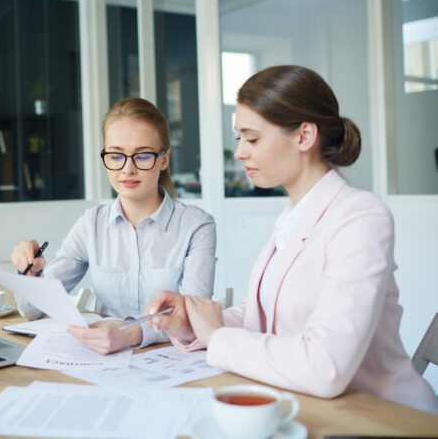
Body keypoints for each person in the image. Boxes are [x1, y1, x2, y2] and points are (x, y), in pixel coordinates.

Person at [145, 65, 438, 414]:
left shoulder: (361, 216)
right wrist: (194, 322)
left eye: (252, 138)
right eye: (239, 138)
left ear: (304, 136)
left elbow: (325, 366)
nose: (239, 152)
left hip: (381, 418)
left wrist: (217, 337)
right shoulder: (292, 218)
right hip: (309, 406)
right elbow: (261, 315)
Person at [11, 97, 216, 354]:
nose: (127, 169)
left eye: (142, 156)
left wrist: (129, 334)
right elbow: (32, 310)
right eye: (116, 155)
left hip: (175, 364)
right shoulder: (90, 224)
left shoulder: (197, 226)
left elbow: (192, 319)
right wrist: (30, 273)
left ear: (164, 159)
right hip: (106, 360)